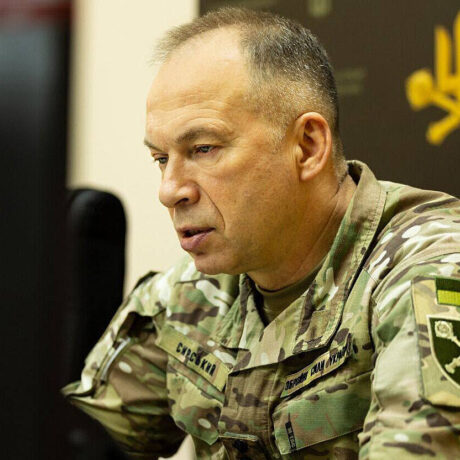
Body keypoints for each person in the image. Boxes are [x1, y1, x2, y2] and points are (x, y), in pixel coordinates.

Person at [62, 7, 460, 459]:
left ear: (307, 147)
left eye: (203, 149)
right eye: (161, 159)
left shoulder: (431, 271)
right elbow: (67, 442)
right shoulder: (190, 293)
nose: (169, 190)